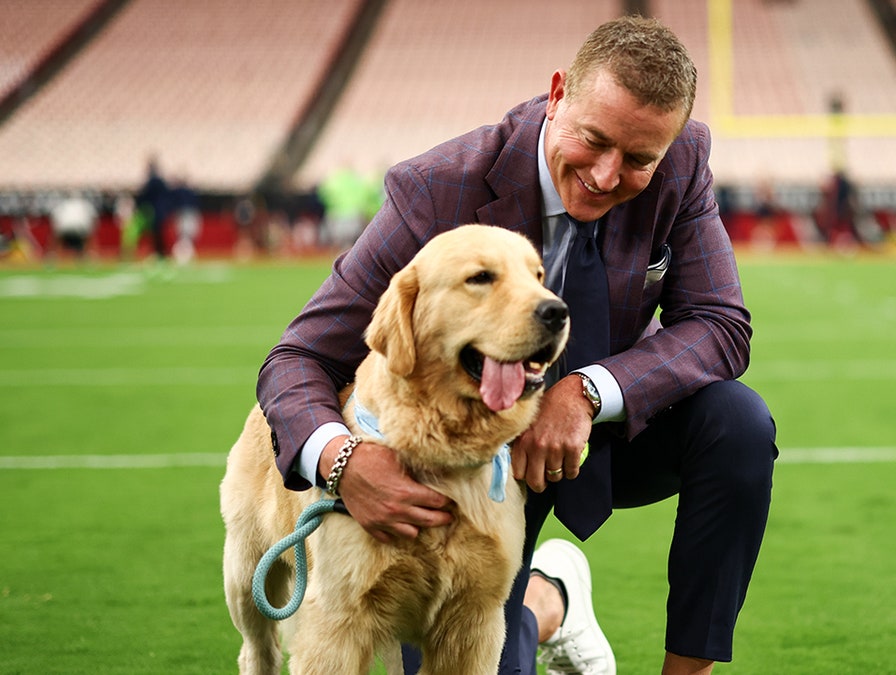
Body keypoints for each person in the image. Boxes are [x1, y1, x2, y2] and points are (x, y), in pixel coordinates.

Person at [256, 16, 777, 675]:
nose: (607, 174)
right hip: (467, 466)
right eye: (594, 140)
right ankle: (549, 600)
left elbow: (720, 323)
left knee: (738, 424)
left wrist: (586, 391)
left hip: (603, 438)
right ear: (558, 93)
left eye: (639, 158)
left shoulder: (683, 162)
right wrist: (342, 460)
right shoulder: (437, 190)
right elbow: (298, 357)